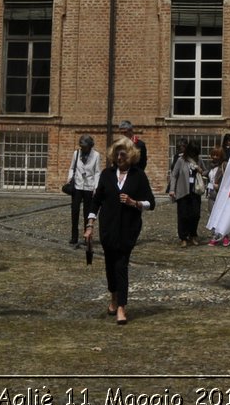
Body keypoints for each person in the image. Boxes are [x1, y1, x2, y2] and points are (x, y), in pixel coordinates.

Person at [84, 137, 156, 324]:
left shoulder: (138, 176)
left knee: (121, 266)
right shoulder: (107, 174)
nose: (120, 156)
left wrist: (135, 203)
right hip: (108, 228)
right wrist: (90, 225)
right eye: (117, 153)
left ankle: (122, 308)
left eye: (123, 153)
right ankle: (114, 297)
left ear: (130, 155)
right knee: (110, 265)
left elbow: (151, 203)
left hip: (128, 229)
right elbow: (96, 201)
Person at [65, 134, 101, 248]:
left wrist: (96, 187)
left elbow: (97, 172)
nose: (83, 148)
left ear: (90, 146)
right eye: (81, 146)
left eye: (85, 146)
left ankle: (87, 237)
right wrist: (70, 177)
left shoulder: (96, 155)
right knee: (75, 210)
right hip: (77, 185)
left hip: (89, 187)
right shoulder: (76, 153)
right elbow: (72, 168)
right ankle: (74, 236)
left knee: (87, 212)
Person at [168, 141, 203, 247]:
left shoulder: (199, 159)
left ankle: (193, 235)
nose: (194, 154)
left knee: (195, 215)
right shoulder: (181, 160)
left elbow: (205, 171)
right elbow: (174, 175)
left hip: (195, 191)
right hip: (182, 191)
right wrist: (172, 189)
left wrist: (200, 170)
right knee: (183, 215)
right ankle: (183, 237)